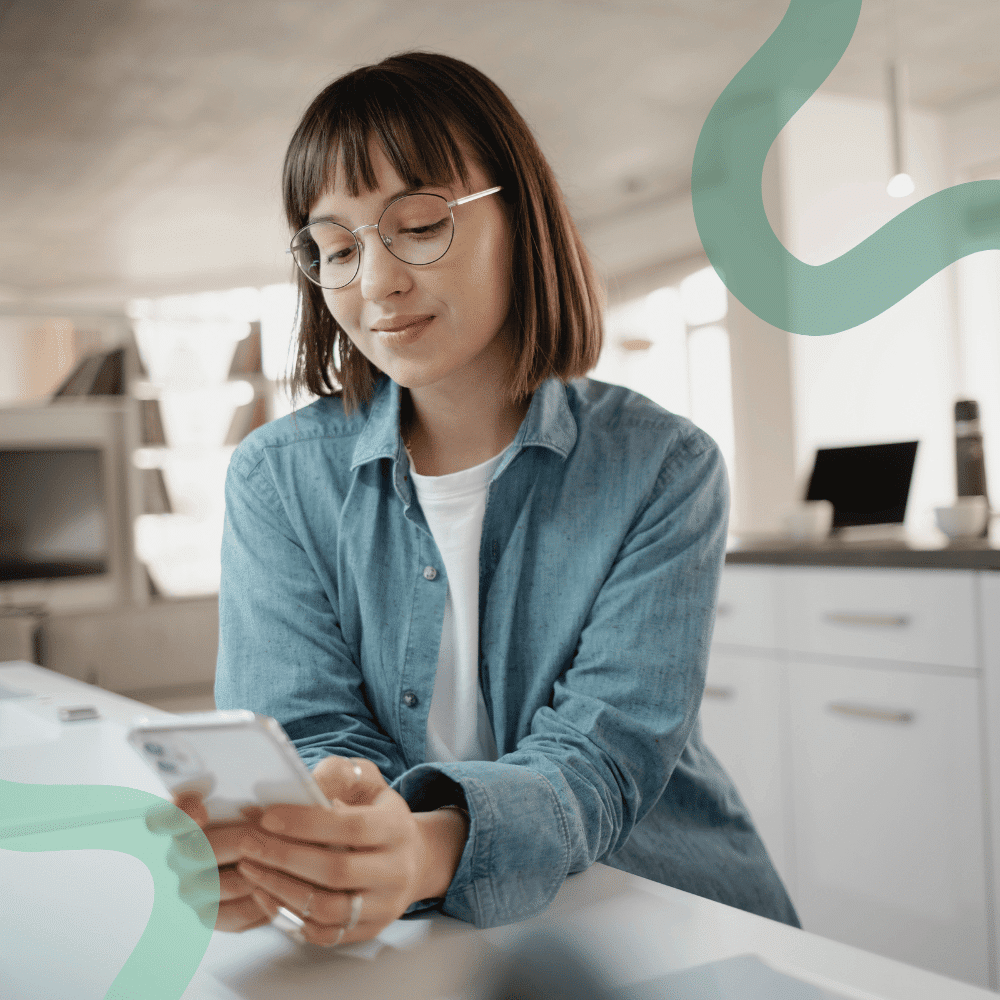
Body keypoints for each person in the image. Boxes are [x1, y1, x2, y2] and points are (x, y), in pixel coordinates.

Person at [179, 50, 799, 947]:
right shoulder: (277, 479)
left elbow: (600, 759)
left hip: (656, 909)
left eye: (420, 225)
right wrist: (304, 841)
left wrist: (417, 852)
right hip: (422, 938)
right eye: (337, 248)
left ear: (522, 215)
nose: (376, 283)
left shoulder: (665, 469)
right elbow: (307, 733)